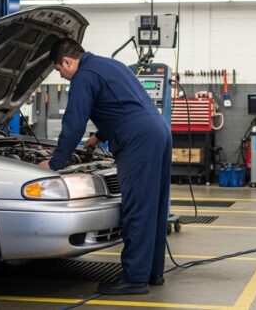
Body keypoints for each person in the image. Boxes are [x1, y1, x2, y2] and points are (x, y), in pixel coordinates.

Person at [39, 38, 172, 295]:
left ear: (67, 61)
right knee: (154, 206)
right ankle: (153, 272)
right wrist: (101, 135)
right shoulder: (111, 65)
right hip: (158, 130)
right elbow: (126, 103)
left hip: (137, 138)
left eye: (60, 70)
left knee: (136, 208)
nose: (64, 77)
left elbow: (73, 124)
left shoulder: (83, 77)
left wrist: (55, 163)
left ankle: (134, 278)